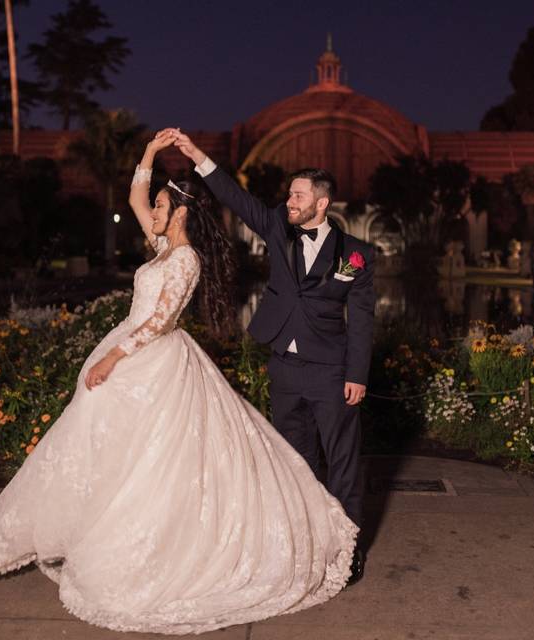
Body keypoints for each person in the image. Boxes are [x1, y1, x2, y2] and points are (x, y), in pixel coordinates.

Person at [0, 131, 357, 635]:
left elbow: (159, 322)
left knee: (154, 460)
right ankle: (81, 526)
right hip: (130, 352)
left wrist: (113, 359)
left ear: (182, 213)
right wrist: (149, 154)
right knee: (103, 445)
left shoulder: (185, 258)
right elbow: (133, 198)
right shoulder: (161, 245)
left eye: (162, 206)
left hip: (149, 357)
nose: (152, 213)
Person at [167, 128, 375, 587]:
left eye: (298, 195)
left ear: (322, 203)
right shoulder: (278, 227)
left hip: (331, 371)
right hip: (283, 367)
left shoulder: (356, 256)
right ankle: (305, 542)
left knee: (341, 462)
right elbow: (235, 197)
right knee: (295, 461)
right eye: (289, 194)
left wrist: (356, 375)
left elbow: (360, 321)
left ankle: (349, 548)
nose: (289, 201)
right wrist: (198, 155)